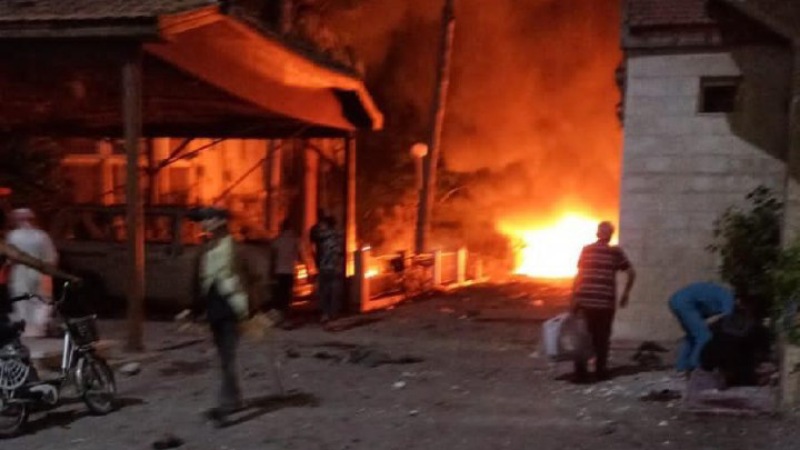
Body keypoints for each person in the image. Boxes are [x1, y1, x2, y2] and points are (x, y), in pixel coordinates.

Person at [188, 207, 257, 423]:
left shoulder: (236, 248)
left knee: (227, 356)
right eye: (202, 220)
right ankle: (235, 399)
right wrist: (193, 308)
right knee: (224, 357)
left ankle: (225, 405)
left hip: (232, 307)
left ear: (219, 221)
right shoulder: (205, 249)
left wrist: (255, 307)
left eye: (207, 219)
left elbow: (252, 278)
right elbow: (198, 280)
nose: (203, 223)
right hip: (213, 309)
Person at [571, 221, 636, 382]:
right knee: (602, 338)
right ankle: (600, 372)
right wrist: (626, 294)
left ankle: (580, 374)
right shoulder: (615, 252)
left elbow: (579, 275)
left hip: (584, 301)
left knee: (582, 338)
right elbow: (631, 272)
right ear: (611, 236)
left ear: (597, 234)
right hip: (605, 304)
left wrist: (574, 297)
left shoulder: (586, 250)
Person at [6, 208, 58, 338]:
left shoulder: (13, 236)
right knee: (41, 300)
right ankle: (39, 327)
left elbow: (10, 257)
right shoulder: (42, 236)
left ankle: (27, 328)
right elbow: (51, 258)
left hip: (20, 272)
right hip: (41, 271)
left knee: (22, 299)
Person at [668, 282, 735, 374]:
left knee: (692, 337)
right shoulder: (729, 298)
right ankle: (696, 366)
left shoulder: (718, 293)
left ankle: (682, 367)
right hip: (686, 303)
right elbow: (728, 319)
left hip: (676, 300)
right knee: (704, 336)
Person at [270, 219, 301, 324]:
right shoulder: (295, 239)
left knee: (280, 293)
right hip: (290, 270)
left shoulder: (277, 240)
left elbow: (272, 254)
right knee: (288, 293)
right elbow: (298, 253)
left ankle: (280, 315)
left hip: (279, 270)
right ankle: (287, 313)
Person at [316, 215, 344, 324]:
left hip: (326, 266)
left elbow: (317, 237)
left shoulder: (324, 236)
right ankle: (333, 314)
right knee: (334, 291)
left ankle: (325, 314)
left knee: (324, 291)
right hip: (336, 267)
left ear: (327, 225)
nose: (321, 226)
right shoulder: (339, 235)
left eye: (323, 224)